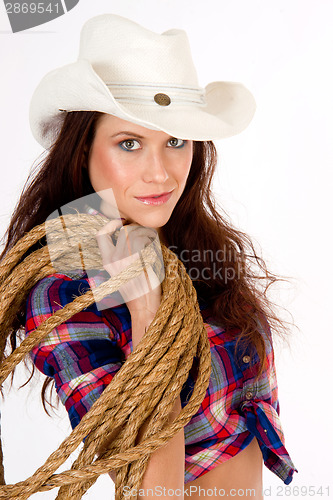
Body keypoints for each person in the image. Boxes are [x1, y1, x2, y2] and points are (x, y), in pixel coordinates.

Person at [1, 13, 297, 499]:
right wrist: (146, 311)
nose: (160, 174)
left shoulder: (185, 244)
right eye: (130, 144)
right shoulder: (59, 294)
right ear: (82, 151)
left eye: (174, 141)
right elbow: (149, 492)